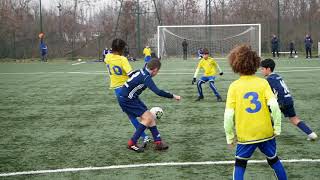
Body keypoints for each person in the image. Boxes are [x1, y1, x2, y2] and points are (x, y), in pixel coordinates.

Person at [224, 44, 287, 180]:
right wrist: (277, 127)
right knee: (274, 160)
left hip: (246, 135)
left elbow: (228, 115)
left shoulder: (234, 87)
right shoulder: (263, 83)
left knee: (240, 164)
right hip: (266, 132)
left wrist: (229, 136)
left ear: (235, 64)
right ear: (255, 63)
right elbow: (274, 106)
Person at [117, 58, 181, 152]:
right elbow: (158, 92)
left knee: (149, 116)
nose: (157, 73)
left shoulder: (141, 70)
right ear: (155, 70)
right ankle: (132, 143)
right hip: (127, 99)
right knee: (147, 118)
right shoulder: (146, 77)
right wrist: (173, 96)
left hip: (130, 97)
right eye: (157, 71)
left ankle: (158, 142)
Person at [104, 38, 150, 146]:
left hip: (117, 90)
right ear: (121, 49)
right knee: (138, 111)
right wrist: (142, 72)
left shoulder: (107, 57)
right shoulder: (122, 59)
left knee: (133, 115)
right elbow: (131, 75)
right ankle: (145, 136)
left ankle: (146, 134)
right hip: (126, 88)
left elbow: (110, 57)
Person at [260, 58, 318, 140]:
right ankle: (311, 134)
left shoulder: (269, 79)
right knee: (294, 119)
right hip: (289, 99)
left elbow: (277, 91)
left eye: (262, 69)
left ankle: (270, 134)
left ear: (268, 69)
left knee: (264, 114)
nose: (261, 71)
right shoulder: (277, 76)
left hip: (281, 102)